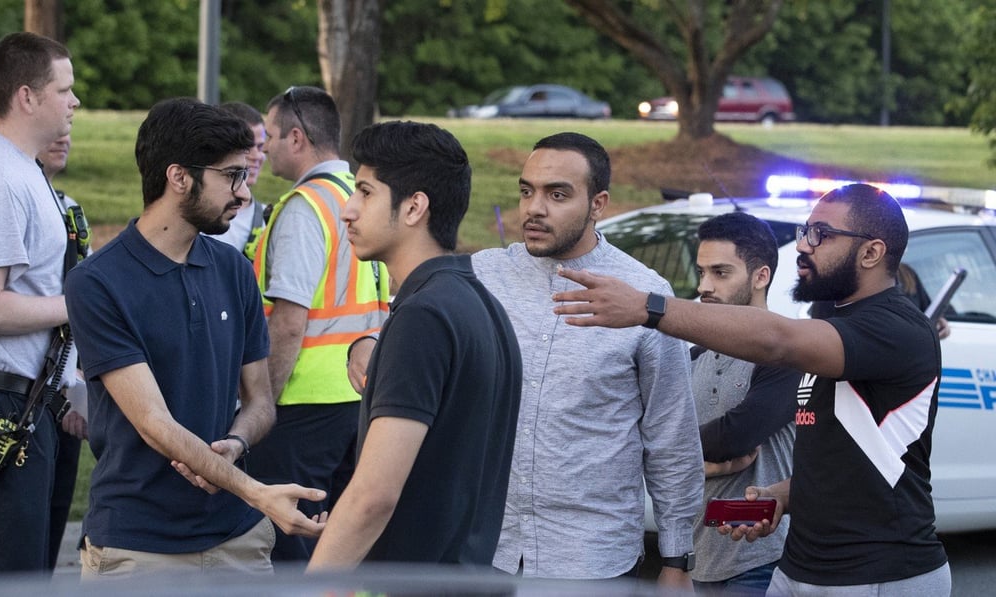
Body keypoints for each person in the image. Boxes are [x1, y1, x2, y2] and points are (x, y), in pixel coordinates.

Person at [552, 183, 951, 595]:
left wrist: (648, 307)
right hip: (800, 569)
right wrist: (785, 495)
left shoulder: (895, 328)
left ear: (871, 253)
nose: (803, 246)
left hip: (878, 574)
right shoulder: (839, 323)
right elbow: (853, 456)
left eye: (821, 235)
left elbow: (777, 341)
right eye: (805, 231)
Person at [348, 132, 703, 586]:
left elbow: (671, 439)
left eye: (557, 194)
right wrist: (363, 347)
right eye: (526, 191)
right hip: (483, 551)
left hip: (589, 560)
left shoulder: (643, 295)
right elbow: (416, 341)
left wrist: (676, 561)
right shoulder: (481, 274)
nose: (534, 208)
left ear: (599, 204)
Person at [64, 98, 328, 579]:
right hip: (138, 549)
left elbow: (260, 403)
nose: (245, 193)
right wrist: (258, 492)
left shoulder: (232, 269)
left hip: (238, 542)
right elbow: (153, 424)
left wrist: (235, 440)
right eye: (232, 175)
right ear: (179, 176)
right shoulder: (98, 282)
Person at [306, 120, 521, 570]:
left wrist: (310, 584)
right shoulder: (480, 304)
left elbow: (372, 496)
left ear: (413, 208)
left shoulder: (424, 316)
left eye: (365, 192)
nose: (348, 209)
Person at [246, 86, 389, 564]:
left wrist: (260, 404)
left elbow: (288, 321)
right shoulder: (360, 197)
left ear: (296, 137)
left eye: (268, 136)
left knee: (289, 544)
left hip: (301, 405)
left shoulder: (305, 207)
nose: (262, 148)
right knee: (339, 545)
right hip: (357, 396)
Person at [0, 31, 80, 574]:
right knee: (4, 578)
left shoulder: (20, 171)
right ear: (27, 97)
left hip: (22, 406)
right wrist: (79, 304)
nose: (75, 102)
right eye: (64, 90)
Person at [687, 212, 799, 595]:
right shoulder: (695, 355)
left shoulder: (785, 353)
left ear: (760, 276)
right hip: (700, 558)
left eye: (720, 273)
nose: (704, 286)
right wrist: (696, 463)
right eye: (701, 273)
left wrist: (668, 450)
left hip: (760, 560)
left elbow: (737, 435)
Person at [36, 133, 92, 571]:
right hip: (16, 394)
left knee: (52, 513)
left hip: (58, 391)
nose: (64, 138)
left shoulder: (70, 209)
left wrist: (73, 387)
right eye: (53, 132)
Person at [208, 101, 267, 259]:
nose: (257, 156)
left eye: (261, 147)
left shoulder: (269, 219)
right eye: (247, 148)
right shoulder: (198, 216)